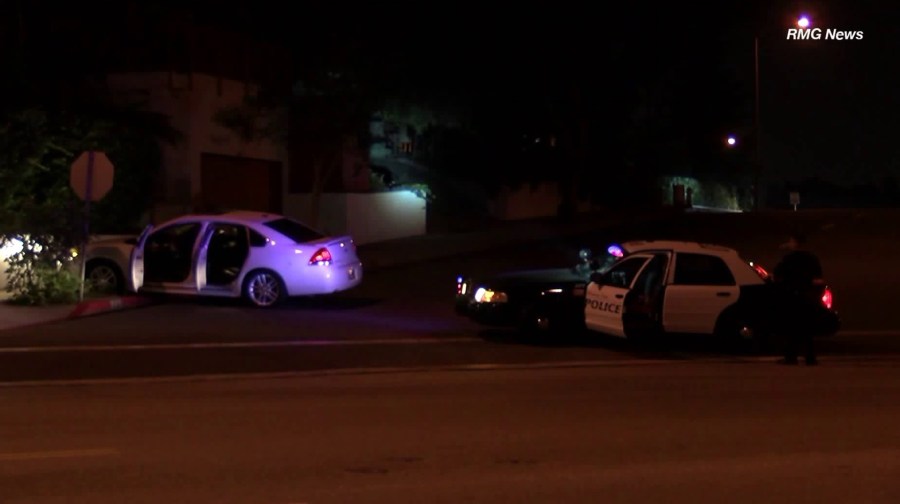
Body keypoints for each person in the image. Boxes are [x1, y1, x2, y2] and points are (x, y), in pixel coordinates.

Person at [772, 230, 823, 365]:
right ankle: (810, 358)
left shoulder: (789, 259)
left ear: (794, 242)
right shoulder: (812, 259)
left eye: (790, 241)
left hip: (792, 296)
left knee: (791, 328)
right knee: (807, 329)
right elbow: (818, 278)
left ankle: (791, 357)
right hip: (807, 296)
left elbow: (777, 275)